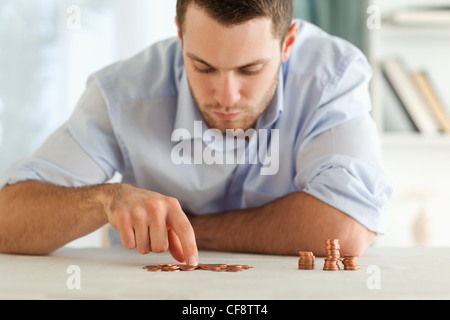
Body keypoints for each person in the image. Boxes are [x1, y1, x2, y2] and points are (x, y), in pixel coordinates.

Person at [0, 0, 392, 265]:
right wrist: (105, 199)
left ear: (288, 43)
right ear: (180, 34)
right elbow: (8, 221)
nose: (226, 97)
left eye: (250, 70)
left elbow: (346, 226)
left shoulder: (331, 75)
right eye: (203, 67)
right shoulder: (124, 92)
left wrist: (180, 231)